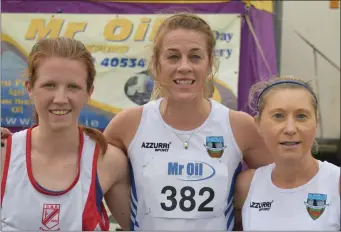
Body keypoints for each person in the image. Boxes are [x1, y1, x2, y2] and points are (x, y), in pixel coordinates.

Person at [102, 13, 273, 231]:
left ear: (210, 62)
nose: (184, 67)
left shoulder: (239, 126)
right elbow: (91, 186)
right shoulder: (128, 125)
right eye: (173, 57)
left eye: (195, 57)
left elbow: (280, 185)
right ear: (156, 62)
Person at [0, 37, 130, 231]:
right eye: (50, 85)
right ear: (30, 88)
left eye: (73, 87)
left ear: (89, 93)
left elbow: (144, 226)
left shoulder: (109, 161)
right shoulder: (4, 154)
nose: (60, 99)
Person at [233, 76, 340, 231]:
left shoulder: (336, 183)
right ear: (258, 124)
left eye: (301, 116)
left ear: (317, 122)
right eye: (278, 116)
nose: (290, 128)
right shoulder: (247, 186)